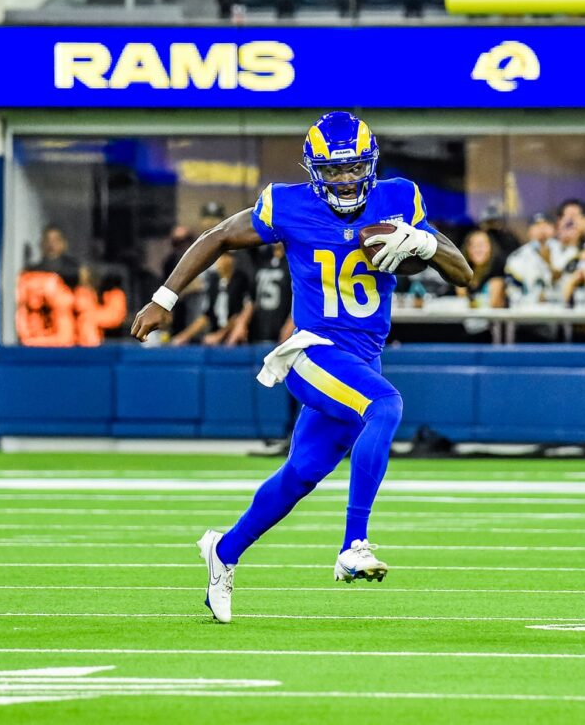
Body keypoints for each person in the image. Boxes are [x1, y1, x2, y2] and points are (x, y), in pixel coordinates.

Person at [130, 112, 472, 623]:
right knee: (385, 405)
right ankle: (353, 544)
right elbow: (220, 235)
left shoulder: (399, 198)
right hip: (311, 351)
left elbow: (462, 273)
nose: (345, 180)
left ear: (370, 165)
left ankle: (223, 551)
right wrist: (164, 297)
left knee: (302, 474)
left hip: (362, 356)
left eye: (353, 168)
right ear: (314, 172)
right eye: (333, 172)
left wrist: (426, 243)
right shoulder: (287, 204)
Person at [28, 225, 83, 291]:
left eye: (56, 240)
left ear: (64, 244)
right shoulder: (33, 272)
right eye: (47, 240)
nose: (51, 244)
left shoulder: (75, 270)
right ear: (41, 244)